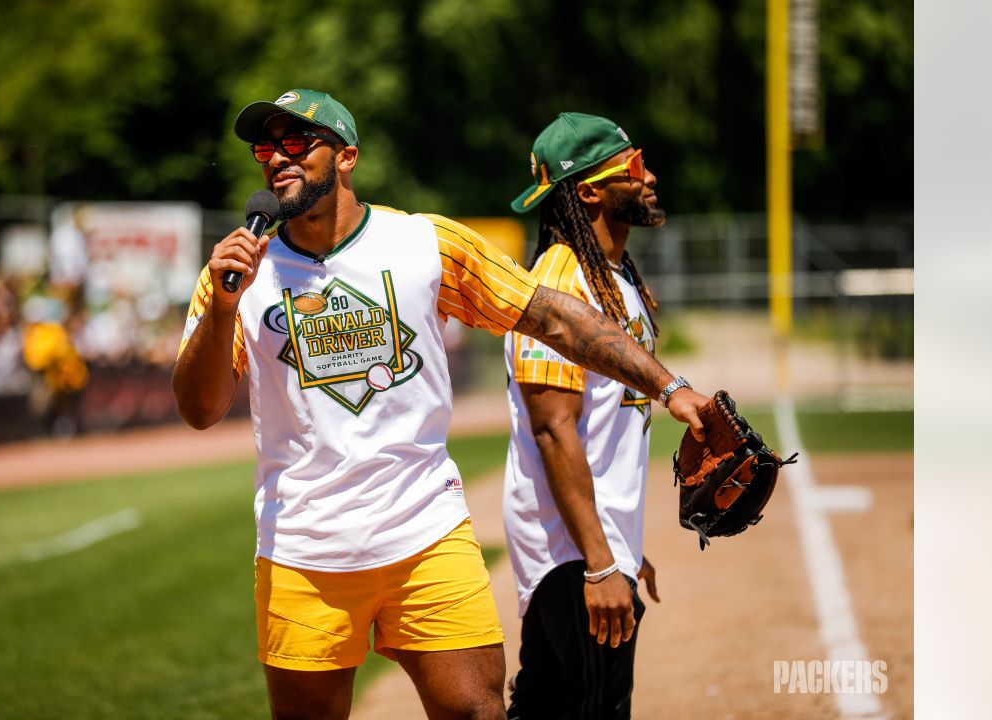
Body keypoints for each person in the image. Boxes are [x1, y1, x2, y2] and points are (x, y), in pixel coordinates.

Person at [172, 90, 707, 720]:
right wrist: (224, 307)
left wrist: (668, 387)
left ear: (347, 157)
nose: (277, 159)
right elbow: (199, 408)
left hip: (425, 532)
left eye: (297, 142)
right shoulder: (236, 274)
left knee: (477, 710)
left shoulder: (423, 243)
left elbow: (553, 317)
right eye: (266, 147)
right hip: (302, 548)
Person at [503, 112, 673, 719]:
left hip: (590, 543)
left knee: (551, 705)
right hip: (569, 554)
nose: (649, 176)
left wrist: (624, 546)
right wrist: (601, 561)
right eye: (633, 167)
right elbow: (554, 430)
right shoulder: (558, 284)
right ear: (589, 192)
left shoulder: (617, 276)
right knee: (597, 709)